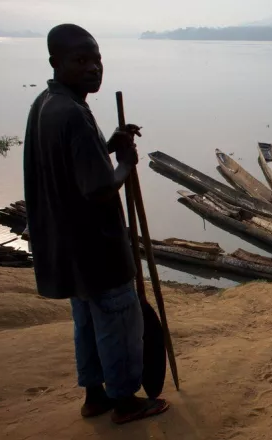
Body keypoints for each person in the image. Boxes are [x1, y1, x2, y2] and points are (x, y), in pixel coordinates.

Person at [23, 24, 169, 425]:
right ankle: (125, 401)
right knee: (120, 322)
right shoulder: (71, 112)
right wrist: (124, 163)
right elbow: (100, 188)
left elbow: (71, 160)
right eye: (81, 60)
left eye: (97, 59)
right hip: (97, 247)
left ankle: (94, 395)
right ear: (56, 62)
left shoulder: (46, 103)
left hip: (68, 248)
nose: (93, 68)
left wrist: (110, 143)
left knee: (86, 322)